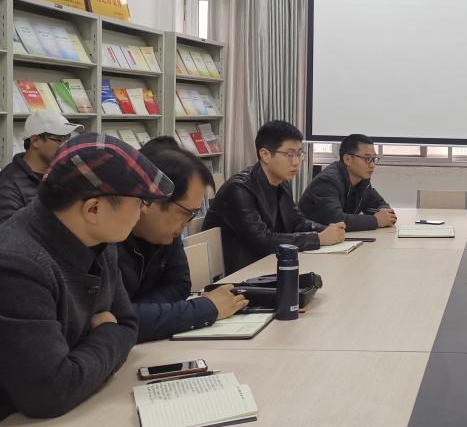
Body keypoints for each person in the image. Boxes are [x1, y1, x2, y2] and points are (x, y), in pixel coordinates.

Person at [0, 133, 174, 421]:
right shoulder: (17, 265)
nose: (144, 212)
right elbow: (50, 392)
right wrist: (107, 332)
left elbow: (128, 324)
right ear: (93, 208)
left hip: (78, 412)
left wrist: (86, 353)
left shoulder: (98, 239)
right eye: (141, 201)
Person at [119, 142, 248, 342]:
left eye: (193, 214)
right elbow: (113, 320)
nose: (187, 224)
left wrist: (138, 312)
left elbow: (179, 285)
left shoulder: (166, 233)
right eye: (186, 213)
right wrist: (204, 309)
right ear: (149, 199)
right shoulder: (106, 240)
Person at [202, 120, 346, 273]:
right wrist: (319, 238)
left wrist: (330, 230)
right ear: (265, 154)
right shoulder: (239, 189)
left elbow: (296, 222)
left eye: (299, 154)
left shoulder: (282, 183)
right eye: (289, 155)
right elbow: (263, 241)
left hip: (268, 264)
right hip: (242, 273)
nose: (296, 162)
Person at [298, 133, 397, 231]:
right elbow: (336, 220)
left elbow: (379, 204)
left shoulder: (362, 180)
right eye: (367, 159)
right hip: (310, 237)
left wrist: (385, 213)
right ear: (347, 159)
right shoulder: (327, 181)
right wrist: (376, 220)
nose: (372, 165)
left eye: (373, 159)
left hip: (336, 238)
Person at [0, 111, 83, 224]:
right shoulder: (8, 185)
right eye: (60, 139)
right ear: (35, 140)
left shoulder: (65, 173)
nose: (66, 146)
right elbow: (9, 231)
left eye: (68, 139)